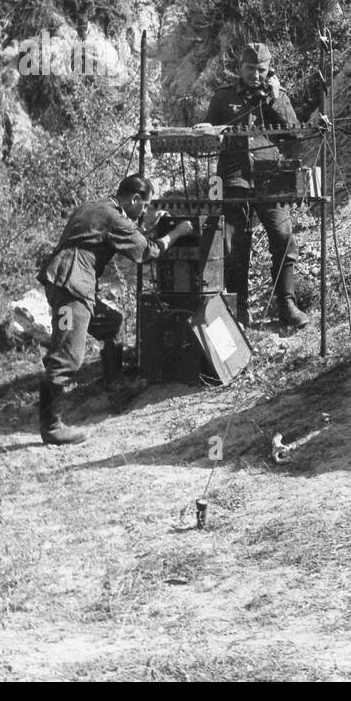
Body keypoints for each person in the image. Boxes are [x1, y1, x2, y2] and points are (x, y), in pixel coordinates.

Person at [37, 174, 192, 445]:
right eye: (143, 206)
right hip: (73, 286)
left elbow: (128, 239)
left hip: (62, 282)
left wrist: (151, 231)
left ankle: (115, 388)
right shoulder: (113, 217)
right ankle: (51, 426)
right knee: (67, 355)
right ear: (133, 199)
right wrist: (178, 233)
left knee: (112, 324)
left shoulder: (94, 208)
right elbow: (147, 253)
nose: (143, 212)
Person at [197, 41, 311, 329]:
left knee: (284, 239)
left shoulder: (278, 96)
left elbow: (296, 136)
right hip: (234, 180)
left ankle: (286, 305)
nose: (256, 75)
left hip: (270, 180)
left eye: (261, 70)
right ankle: (239, 311)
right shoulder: (223, 98)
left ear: (269, 69)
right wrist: (209, 131)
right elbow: (208, 133)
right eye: (250, 69)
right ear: (240, 68)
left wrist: (275, 100)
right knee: (235, 247)